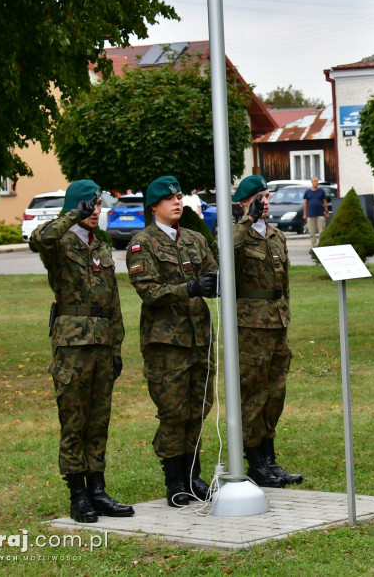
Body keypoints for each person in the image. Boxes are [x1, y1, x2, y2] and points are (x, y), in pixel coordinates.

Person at [34, 179, 133, 524]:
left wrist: (117, 346)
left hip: (103, 344)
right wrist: (70, 216)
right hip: (72, 346)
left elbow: (114, 303)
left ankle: (98, 489)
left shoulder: (102, 247)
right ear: (77, 206)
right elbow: (37, 239)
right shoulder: (59, 243)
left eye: (98, 205)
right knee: (74, 420)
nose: (96, 211)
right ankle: (78, 495)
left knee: (98, 420)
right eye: (89, 205)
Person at [126, 176, 219, 507]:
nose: (177, 202)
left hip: (199, 339)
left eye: (179, 196)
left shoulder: (194, 239)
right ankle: (174, 480)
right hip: (166, 344)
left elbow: (215, 276)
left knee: (198, 409)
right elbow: (149, 292)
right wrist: (190, 289)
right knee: (173, 411)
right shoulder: (142, 244)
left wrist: (215, 283)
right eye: (169, 199)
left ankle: (193, 476)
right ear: (154, 207)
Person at [232, 175, 302, 487]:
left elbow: (284, 282)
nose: (266, 202)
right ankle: (255, 461)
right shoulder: (237, 235)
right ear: (245, 202)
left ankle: (270, 458)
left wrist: (285, 311)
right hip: (251, 325)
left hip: (277, 322)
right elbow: (225, 259)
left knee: (275, 392)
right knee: (253, 393)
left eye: (267, 196)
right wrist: (246, 220)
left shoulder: (276, 235)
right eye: (259, 197)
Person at [301, 176, 329, 247]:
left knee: (321, 231)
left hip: (320, 214)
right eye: (315, 181)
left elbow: (325, 202)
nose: (317, 183)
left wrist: (326, 212)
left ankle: (321, 245)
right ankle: (314, 245)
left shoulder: (321, 191)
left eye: (317, 181)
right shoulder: (308, 192)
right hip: (310, 214)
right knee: (312, 232)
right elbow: (305, 204)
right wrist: (305, 214)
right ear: (312, 182)